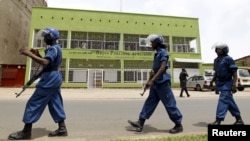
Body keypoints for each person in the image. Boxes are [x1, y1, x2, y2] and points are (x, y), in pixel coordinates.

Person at [8, 27, 68, 140]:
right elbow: (48, 62)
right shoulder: (56, 48)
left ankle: (26, 132)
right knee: (55, 102)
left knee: (33, 103)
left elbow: (45, 62)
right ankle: (62, 128)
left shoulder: (53, 49)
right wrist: (37, 55)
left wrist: (28, 54)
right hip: (54, 77)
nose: (44, 39)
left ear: (50, 37)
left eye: (45, 36)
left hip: (49, 79)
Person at [128, 34, 183, 134]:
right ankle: (140, 122)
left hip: (163, 83)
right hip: (156, 84)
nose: (151, 44)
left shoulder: (163, 53)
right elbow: (154, 70)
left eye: (152, 42)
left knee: (170, 104)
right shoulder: (156, 54)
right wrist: (149, 82)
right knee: (149, 102)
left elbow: (162, 68)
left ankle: (178, 124)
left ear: (157, 42)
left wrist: (152, 80)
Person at [209, 42, 244, 125]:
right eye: (217, 49)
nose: (217, 50)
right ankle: (239, 120)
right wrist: (212, 81)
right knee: (229, 102)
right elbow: (216, 72)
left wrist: (234, 84)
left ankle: (218, 120)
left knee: (223, 100)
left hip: (227, 83)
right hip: (220, 83)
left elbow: (234, 72)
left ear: (225, 50)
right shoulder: (216, 60)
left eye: (220, 49)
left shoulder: (228, 59)